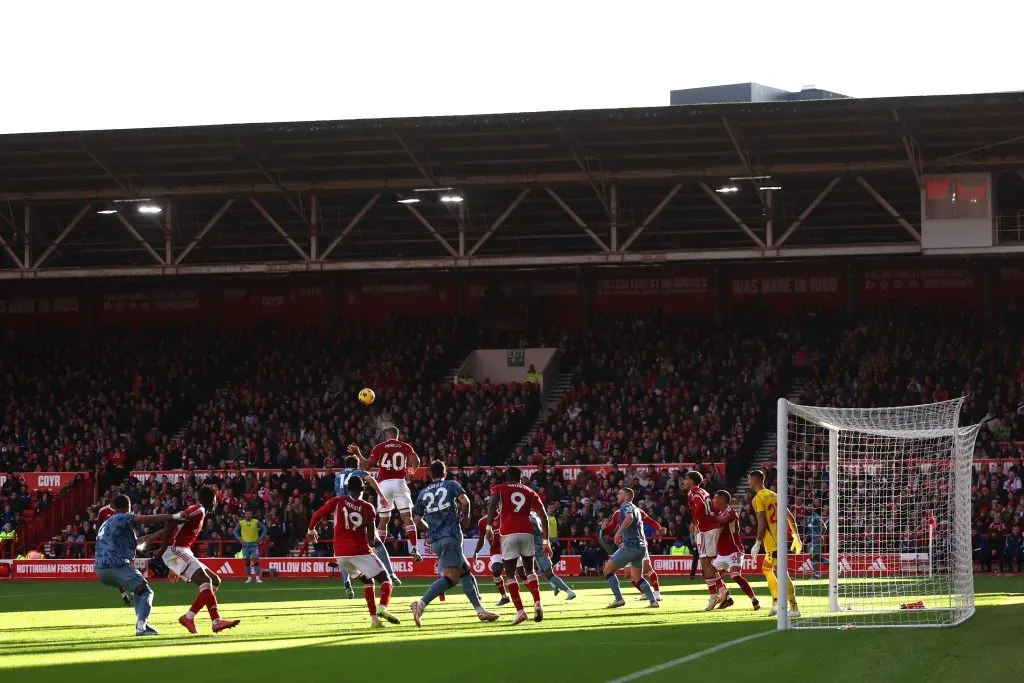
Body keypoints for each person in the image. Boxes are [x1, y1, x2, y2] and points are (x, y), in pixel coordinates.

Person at [409, 460, 499, 626]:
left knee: (465, 570)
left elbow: (417, 520)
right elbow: (465, 502)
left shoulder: (422, 493)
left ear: (429, 474)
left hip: (435, 540)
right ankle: (420, 604)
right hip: (450, 536)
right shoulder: (451, 484)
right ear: (444, 473)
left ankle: (480, 610)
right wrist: (465, 519)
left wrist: (431, 529)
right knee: (451, 578)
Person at [307, 476, 400, 628]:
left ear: (348, 489)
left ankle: (374, 620)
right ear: (363, 489)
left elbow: (319, 513)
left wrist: (311, 530)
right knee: (386, 579)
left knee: (368, 581)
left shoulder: (337, 501)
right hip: (360, 551)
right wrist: (375, 541)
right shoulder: (368, 507)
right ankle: (382, 608)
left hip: (341, 555)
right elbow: (370, 539)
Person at [150, 484, 241, 634]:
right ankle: (216, 621)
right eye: (215, 500)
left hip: (182, 551)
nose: (216, 503)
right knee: (207, 581)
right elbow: (172, 520)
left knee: (215, 580)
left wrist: (176, 566)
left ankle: (190, 617)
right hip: (175, 550)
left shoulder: (201, 511)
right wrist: (163, 547)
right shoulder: (198, 510)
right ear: (211, 500)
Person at [94, 494, 183, 636]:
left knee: (138, 591)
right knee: (147, 592)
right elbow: (143, 519)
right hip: (116, 564)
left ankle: (141, 623)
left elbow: (140, 541)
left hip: (100, 570)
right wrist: (171, 517)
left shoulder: (108, 523)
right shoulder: (121, 517)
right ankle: (142, 627)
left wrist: (162, 533)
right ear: (128, 507)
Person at [486, 466, 549, 625]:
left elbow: (492, 506)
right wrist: (546, 542)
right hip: (527, 533)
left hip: (508, 533)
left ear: (507, 477)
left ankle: (520, 611)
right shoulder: (530, 492)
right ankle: (537, 603)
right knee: (530, 570)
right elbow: (544, 519)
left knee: (510, 574)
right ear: (521, 479)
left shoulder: (500, 488)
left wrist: (488, 528)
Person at [335, 453, 399, 593]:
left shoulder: (338, 475)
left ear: (346, 465)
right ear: (357, 465)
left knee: (343, 552)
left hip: (341, 515)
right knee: (378, 544)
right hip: (357, 513)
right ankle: (390, 573)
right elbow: (370, 479)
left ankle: (346, 581)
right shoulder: (358, 472)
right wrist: (381, 496)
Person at [356, 427, 422, 561]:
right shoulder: (405, 446)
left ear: (387, 435)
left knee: (384, 520)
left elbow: (366, 466)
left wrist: (358, 454)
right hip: (399, 482)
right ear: (397, 436)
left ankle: (377, 553)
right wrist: (412, 471)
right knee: (407, 517)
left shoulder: (380, 447)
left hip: (384, 485)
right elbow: (416, 461)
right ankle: (414, 548)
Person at [748, 469, 802, 618]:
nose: (748, 482)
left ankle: (794, 607)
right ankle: (777, 603)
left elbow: (762, 522)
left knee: (782, 573)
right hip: (780, 540)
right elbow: (790, 517)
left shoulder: (758, 498)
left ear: (756, 480)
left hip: (773, 542)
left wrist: (757, 543)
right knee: (766, 568)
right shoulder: (776, 496)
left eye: (749, 480)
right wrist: (795, 535)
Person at [602, 487, 659, 609]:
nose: (617, 495)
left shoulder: (625, 506)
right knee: (637, 577)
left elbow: (629, 518)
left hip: (630, 545)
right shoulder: (637, 509)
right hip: (641, 546)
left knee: (607, 570)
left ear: (626, 497)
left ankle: (619, 600)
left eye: (620, 493)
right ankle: (653, 601)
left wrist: (618, 532)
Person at [682, 470, 727, 610]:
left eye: (686, 479)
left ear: (692, 481)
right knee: (709, 564)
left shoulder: (694, 492)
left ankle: (714, 596)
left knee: (706, 564)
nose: (684, 481)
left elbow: (700, 505)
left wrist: (694, 522)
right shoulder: (704, 492)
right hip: (710, 529)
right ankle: (722, 592)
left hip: (706, 531)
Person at [711, 490, 759, 611]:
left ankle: (754, 600)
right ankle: (726, 597)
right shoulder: (719, 512)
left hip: (734, 549)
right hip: (721, 552)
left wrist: (707, 517)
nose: (713, 500)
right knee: (710, 575)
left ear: (722, 500)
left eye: (715, 498)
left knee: (735, 576)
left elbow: (722, 521)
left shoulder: (731, 512)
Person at [528, 511, 576, 600]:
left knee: (549, 573)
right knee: (544, 572)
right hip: (538, 549)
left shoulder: (530, 519)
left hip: (539, 549)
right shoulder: (536, 516)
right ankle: (555, 586)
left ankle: (569, 592)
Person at [97, 502, 132, 606]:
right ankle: (125, 595)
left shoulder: (124, 512)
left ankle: (133, 591)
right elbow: (99, 527)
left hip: (122, 543)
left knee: (126, 568)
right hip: (110, 546)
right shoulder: (103, 511)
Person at [473, 514, 509, 606]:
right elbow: (481, 539)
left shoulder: (507, 515)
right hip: (496, 551)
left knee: (521, 573)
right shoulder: (482, 522)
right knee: (496, 572)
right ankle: (504, 597)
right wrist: (476, 552)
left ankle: (535, 597)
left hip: (511, 548)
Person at [233, 510, 266, 584]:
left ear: (252, 515)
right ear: (245, 515)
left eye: (250, 514)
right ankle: (249, 578)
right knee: (247, 562)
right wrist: (239, 539)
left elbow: (264, 529)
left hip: (254, 544)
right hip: (245, 545)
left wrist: (260, 538)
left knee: (255, 561)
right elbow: (235, 531)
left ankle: (257, 578)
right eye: (247, 514)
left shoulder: (256, 521)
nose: (248, 515)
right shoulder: (241, 523)